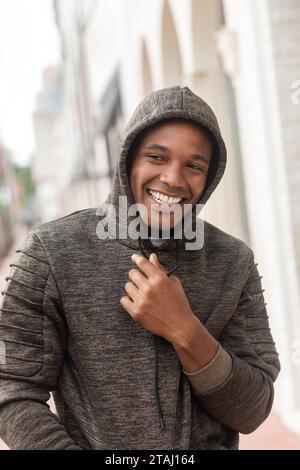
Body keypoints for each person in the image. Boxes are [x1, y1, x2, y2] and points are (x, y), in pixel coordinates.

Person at [0, 85, 280, 450]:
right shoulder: (51, 252)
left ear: (209, 178)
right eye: (157, 157)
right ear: (128, 159)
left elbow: (252, 410)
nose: (174, 179)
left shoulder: (234, 262)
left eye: (194, 165)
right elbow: (11, 388)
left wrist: (185, 329)